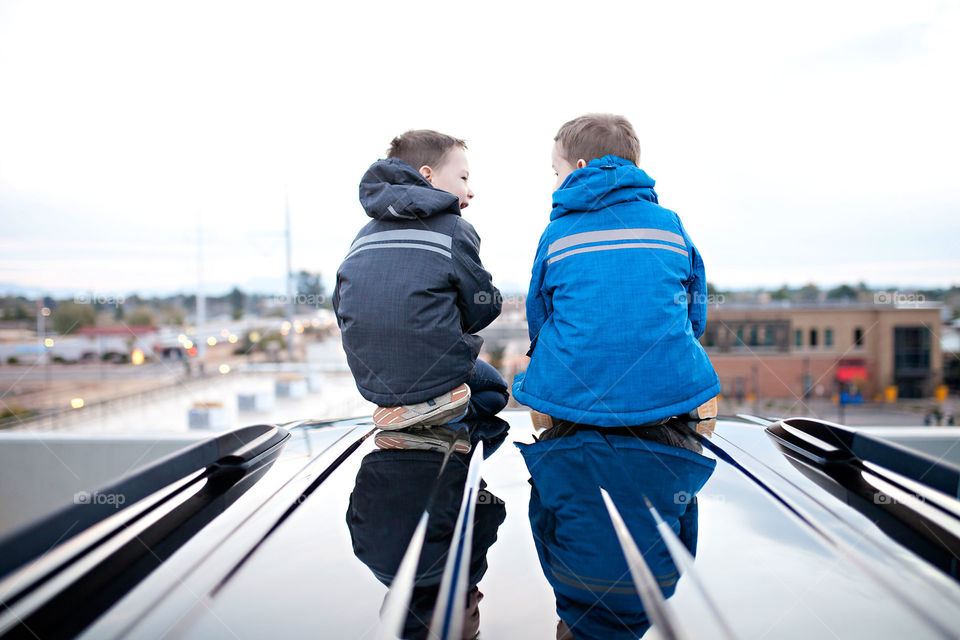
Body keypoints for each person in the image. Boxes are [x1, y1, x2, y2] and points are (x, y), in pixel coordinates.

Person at [512, 113, 720, 428]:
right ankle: (691, 399)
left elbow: (538, 312)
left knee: (541, 386)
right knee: (691, 375)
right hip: (666, 385)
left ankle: (551, 410)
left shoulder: (557, 233)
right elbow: (696, 302)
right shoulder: (669, 223)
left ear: (579, 167)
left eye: (557, 172)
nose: (555, 182)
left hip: (573, 396)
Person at [333, 130, 509, 451]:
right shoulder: (454, 229)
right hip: (435, 371)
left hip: (375, 381)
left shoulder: (363, 235)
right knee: (494, 390)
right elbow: (483, 306)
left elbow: (342, 305)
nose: (470, 190)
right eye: (463, 177)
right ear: (427, 175)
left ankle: (406, 413)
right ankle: (439, 418)